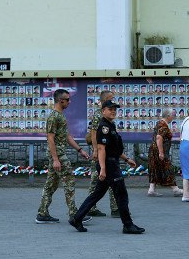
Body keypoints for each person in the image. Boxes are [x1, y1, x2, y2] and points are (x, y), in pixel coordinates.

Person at [69, 100, 145, 234]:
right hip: (109, 166)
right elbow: (101, 148)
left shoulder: (111, 125)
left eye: (115, 109)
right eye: (110, 109)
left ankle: (77, 218)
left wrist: (126, 159)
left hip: (111, 163)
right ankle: (128, 225)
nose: (113, 111)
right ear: (103, 111)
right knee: (121, 195)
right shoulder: (104, 127)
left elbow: (113, 149)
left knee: (97, 194)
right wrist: (103, 169)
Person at [36, 89, 90, 224]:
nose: (69, 102)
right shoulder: (54, 117)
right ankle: (74, 214)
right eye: (67, 100)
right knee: (70, 182)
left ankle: (42, 213)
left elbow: (66, 136)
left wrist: (80, 150)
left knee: (51, 185)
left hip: (59, 155)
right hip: (58, 156)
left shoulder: (60, 116)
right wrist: (55, 159)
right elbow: (50, 138)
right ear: (61, 101)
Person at [86, 90, 119, 217]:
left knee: (101, 180)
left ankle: (92, 207)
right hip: (101, 152)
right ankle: (113, 208)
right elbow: (94, 133)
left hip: (108, 152)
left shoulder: (108, 114)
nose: (114, 100)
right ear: (105, 100)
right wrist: (95, 150)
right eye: (111, 98)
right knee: (101, 179)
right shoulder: (98, 115)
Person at [147, 108, 183, 197]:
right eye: (173, 115)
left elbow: (162, 137)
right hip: (159, 150)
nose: (173, 117)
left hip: (154, 149)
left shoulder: (160, 123)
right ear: (168, 116)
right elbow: (159, 137)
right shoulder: (163, 124)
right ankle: (175, 189)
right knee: (167, 168)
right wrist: (161, 152)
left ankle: (151, 189)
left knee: (155, 168)